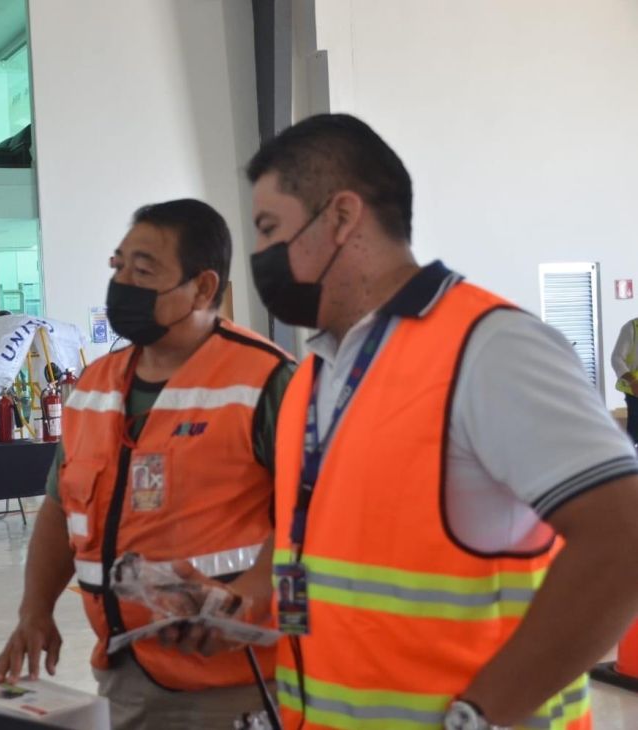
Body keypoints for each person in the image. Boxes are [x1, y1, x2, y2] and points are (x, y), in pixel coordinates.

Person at [248, 113, 638, 729]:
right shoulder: (314, 375)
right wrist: (248, 598)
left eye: (270, 228)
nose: (260, 254)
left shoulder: (490, 350)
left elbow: (623, 539)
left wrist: (481, 716)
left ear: (342, 218)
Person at [0, 199, 294, 729]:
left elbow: (317, 517)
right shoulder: (93, 388)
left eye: (144, 269)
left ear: (203, 288)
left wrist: (248, 596)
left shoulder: (266, 381)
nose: (123, 281)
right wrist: (34, 609)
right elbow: (61, 510)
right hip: (124, 675)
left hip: (234, 682)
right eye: (119, 265)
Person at [610, 317, 638, 444]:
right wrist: (632, 382)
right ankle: (630, 458)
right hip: (635, 389)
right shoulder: (631, 328)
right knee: (635, 429)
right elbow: (617, 358)